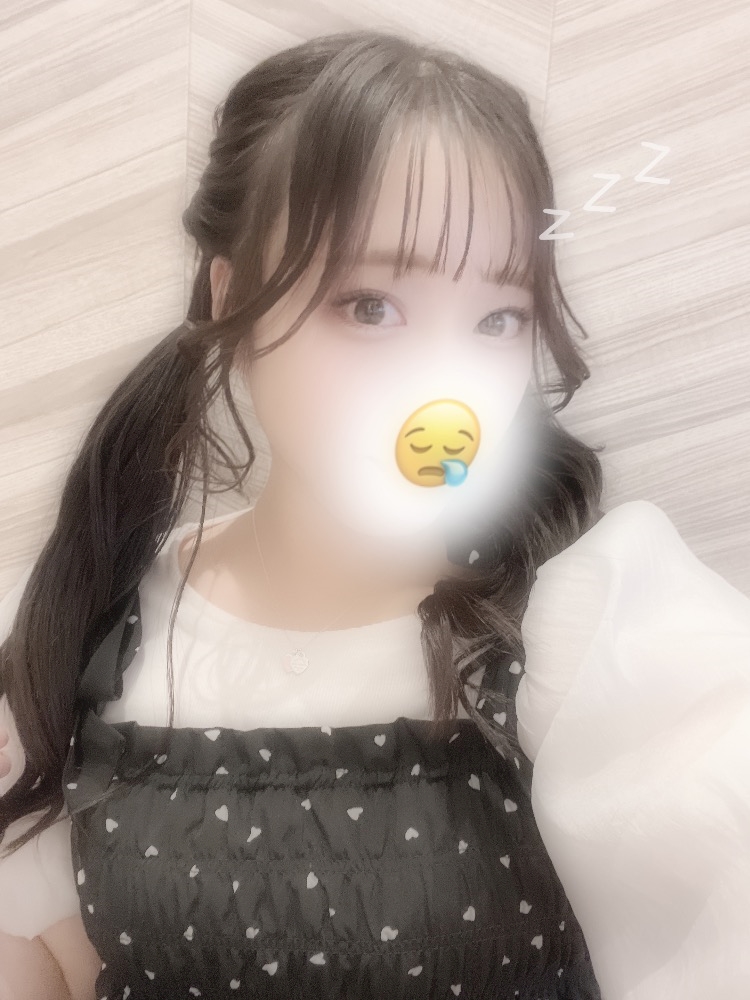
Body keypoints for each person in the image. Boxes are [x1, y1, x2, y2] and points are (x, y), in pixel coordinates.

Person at [1, 27, 749, 1000]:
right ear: (230, 298)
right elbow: (76, 960)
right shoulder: (98, 621)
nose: (447, 383)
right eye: (369, 306)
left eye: (499, 318)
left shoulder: (590, 618)